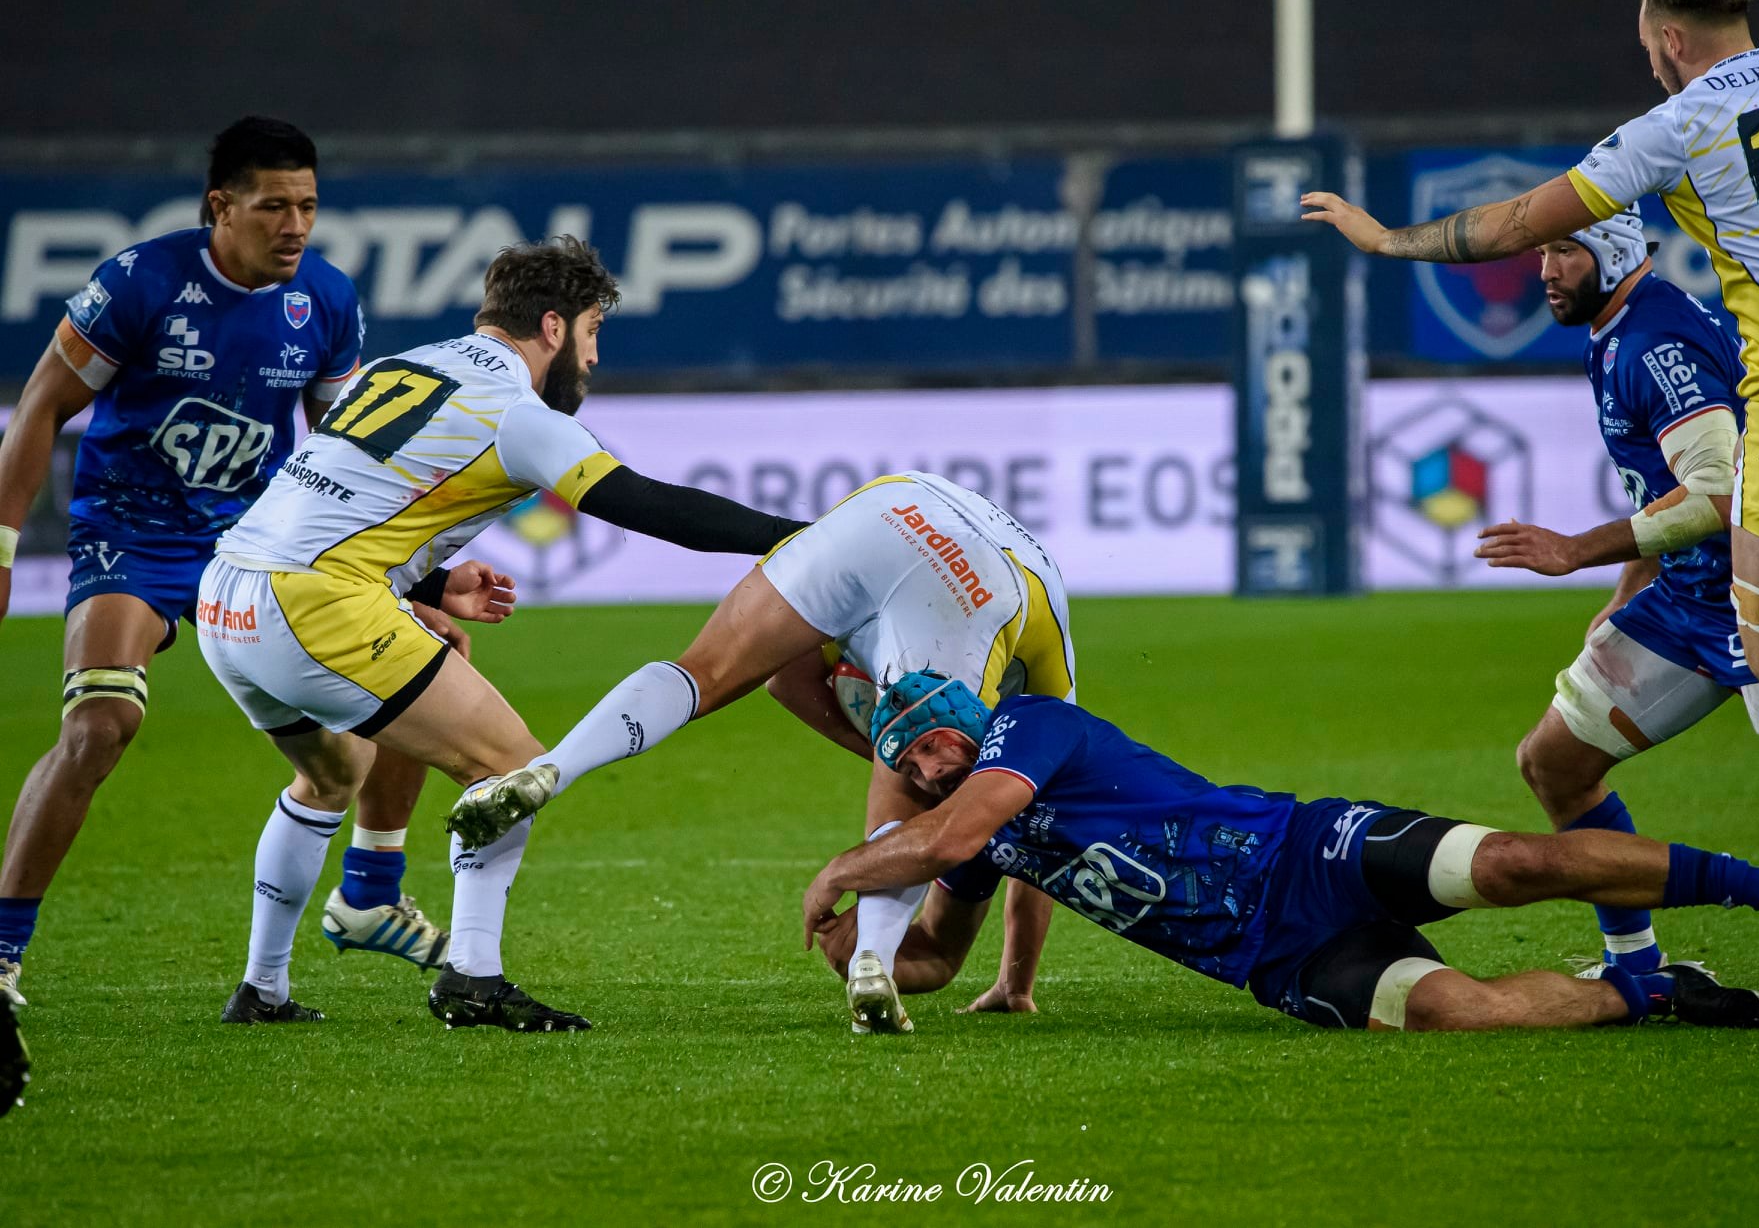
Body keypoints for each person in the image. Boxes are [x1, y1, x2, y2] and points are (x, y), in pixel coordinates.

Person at [198, 234, 807, 1032]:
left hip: (227, 596)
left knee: (329, 774)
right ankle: (472, 979)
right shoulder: (517, 413)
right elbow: (655, 509)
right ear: (554, 328)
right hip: (310, 607)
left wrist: (436, 582)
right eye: (592, 333)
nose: (592, 358)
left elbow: (339, 500)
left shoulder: (399, 368)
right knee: (515, 770)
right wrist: (811, 535)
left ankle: (262, 989)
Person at [1301, 0, 1759, 776]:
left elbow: (1515, 221)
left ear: (1668, 39)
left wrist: (1385, 238)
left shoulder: (1679, 123)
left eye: (1646, 48)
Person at [0, 117, 450, 1033]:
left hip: (254, 546)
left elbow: (345, 449)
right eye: (274, 205)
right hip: (131, 534)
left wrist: (425, 581)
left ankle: (357, 899)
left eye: (309, 206)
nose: (296, 225)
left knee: (406, 681)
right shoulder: (141, 283)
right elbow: (44, 405)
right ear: (222, 206)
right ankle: (2, 952)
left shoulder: (323, 301)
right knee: (101, 725)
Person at [803, 672, 1759, 1033]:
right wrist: (859, 950)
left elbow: (955, 831)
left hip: (1309, 851)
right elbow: (935, 955)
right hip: (1280, 959)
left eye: (930, 745)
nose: (927, 769)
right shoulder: (970, 830)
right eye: (910, 763)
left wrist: (849, 864)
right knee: (1456, 1012)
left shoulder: (1027, 724)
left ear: (962, 718)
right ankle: (1650, 995)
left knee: (1518, 868)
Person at [447, 470, 1078, 1033]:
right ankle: (872, 964)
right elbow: (1040, 821)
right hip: (969, 582)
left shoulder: (897, 648)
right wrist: (1016, 984)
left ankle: (552, 768)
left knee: (701, 672)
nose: (933, 770)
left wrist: (890, 748)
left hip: (883, 511)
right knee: (918, 785)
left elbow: (786, 678)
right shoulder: (1048, 692)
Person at [1473, 209, 1759, 977]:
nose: (1545, 271)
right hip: (1688, 604)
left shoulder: (1653, 344)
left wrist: (1573, 549)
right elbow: (1665, 486)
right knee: (1554, 766)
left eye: (1564, 252)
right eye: (1541, 253)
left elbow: (1715, 495)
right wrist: (1627, 591)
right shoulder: (1623, 325)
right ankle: (1633, 965)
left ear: (1613, 254)